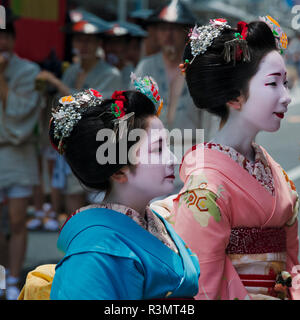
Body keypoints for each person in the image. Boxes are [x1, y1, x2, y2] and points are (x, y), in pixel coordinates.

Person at [152, 16, 300, 300]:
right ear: (235, 96)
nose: (286, 97)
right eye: (273, 84)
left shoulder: (274, 171)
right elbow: (204, 286)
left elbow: (293, 263)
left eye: (285, 83)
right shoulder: (205, 184)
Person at [46, 78, 200, 299]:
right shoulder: (95, 249)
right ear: (118, 170)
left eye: (167, 146)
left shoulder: (154, 220)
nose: (172, 159)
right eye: (157, 149)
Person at [36, 9, 123, 216]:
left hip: (98, 147)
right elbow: (61, 107)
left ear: (98, 44)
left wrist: (57, 83)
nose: (83, 46)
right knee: (72, 206)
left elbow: (94, 102)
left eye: (89, 41)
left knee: (100, 208)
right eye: (79, 40)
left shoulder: (111, 73)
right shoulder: (72, 71)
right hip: (72, 146)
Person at [134, 0, 219, 192]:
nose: (169, 35)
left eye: (175, 28)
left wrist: (207, 163)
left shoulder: (200, 69)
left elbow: (210, 121)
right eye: (163, 28)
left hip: (190, 157)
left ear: (187, 32)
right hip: (152, 158)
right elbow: (134, 117)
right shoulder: (145, 67)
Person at [0, 17, 41, 299]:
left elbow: (20, 112)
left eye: (5, 36)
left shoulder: (29, 71)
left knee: (16, 220)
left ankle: (14, 278)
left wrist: (1, 80)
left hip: (17, 152)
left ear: (13, 40)